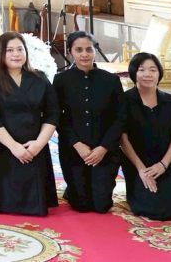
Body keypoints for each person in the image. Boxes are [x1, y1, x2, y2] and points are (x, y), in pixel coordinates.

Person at [0, 32, 59, 216]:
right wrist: (14, 146)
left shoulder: (39, 77)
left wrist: (38, 144)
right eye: (10, 50)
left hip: (34, 146)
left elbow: (52, 113)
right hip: (3, 146)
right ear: (0, 53)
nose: (16, 54)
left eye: (20, 49)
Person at [52, 30, 124, 213]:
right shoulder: (61, 80)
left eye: (89, 49)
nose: (84, 54)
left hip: (105, 150)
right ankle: (73, 189)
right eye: (79, 50)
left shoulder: (111, 80)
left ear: (95, 50)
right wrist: (77, 144)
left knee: (101, 206)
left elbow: (120, 118)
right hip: (74, 150)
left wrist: (103, 148)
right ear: (70, 52)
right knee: (81, 205)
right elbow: (57, 116)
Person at [119, 52, 171, 220]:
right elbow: (122, 138)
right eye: (141, 70)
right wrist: (141, 169)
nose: (147, 74)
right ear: (134, 73)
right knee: (149, 208)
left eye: (153, 70)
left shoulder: (170, 101)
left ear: (159, 74)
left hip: (164, 161)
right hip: (137, 163)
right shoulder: (124, 100)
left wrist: (163, 165)